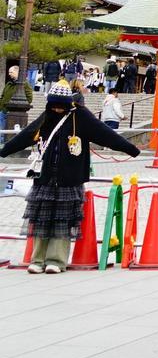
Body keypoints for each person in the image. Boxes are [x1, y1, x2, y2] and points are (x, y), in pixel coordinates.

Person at [0, 80, 141, 273]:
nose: (57, 109)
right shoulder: (47, 116)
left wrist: (131, 149)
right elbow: (27, 134)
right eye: (54, 105)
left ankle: (56, 261)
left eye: (61, 105)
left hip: (69, 178)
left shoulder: (80, 116)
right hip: (45, 177)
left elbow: (105, 134)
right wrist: (4, 151)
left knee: (62, 221)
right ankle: (37, 259)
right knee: (41, 219)